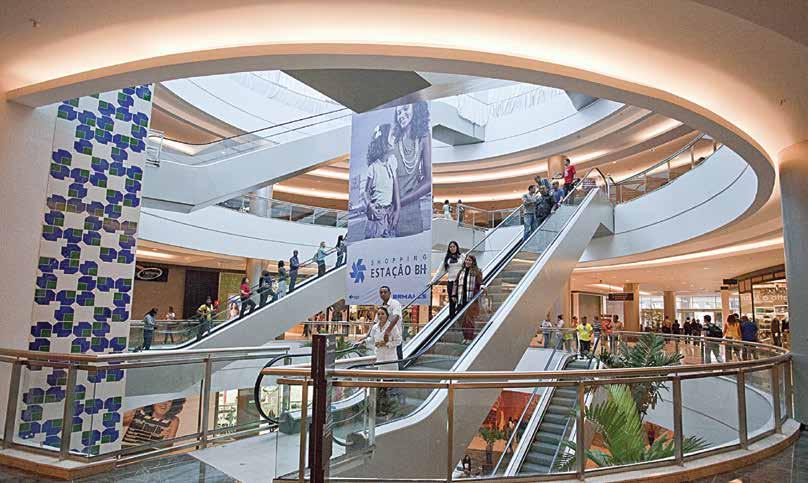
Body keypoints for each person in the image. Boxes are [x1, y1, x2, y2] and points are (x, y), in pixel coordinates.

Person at [391, 103, 432, 237]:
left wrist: (399, 203)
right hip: (391, 213)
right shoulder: (393, 139)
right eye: (398, 113)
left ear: (416, 109)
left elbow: (429, 181)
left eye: (405, 109)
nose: (401, 115)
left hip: (412, 212)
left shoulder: (424, 137)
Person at [364, 123, 399, 239]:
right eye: (392, 135)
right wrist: (370, 205)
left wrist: (397, 209)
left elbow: (396, 189)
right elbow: (366, 192)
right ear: (383, 141)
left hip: (389, 212)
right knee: (375, 242)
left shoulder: (392, 161)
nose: (395, 137)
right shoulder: (373, 168)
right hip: (378, 213)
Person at [454, 255, 485, 343]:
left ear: (473, 262)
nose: (467, 262)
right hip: (461, 299)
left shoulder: (477, 271)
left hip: (471, 299)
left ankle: (470, 338)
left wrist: (482, 286)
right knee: (462, 320)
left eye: (470, 260)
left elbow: (480, 282)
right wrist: (454, 295)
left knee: (469, 319)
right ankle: (465, 337)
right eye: (466, 260)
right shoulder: (461, 271)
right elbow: (456, 283)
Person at [430, 241, 465, 318]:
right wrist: (432, 281)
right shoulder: (447, 259)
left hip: (460, 282)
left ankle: (460, 319)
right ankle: (452, 319)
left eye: (454, 246)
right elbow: (439, 271)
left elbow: (467, 267)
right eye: (450, 247)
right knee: (452, 303)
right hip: (451, 283)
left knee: (460, 301)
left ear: (457, 247)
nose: (452, 248)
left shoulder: (462, 257)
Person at [376, 285, 404, 367]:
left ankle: (399, 372)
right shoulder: (381, 307)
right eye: (381, 292)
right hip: (383, 339)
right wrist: (367, 335)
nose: (383, 294)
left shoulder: (395, 303)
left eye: (385, 292)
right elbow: (375, 322)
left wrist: (387, 331)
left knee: (397, 359)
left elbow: (396, 316)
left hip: (394, 337)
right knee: (385, 360)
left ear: (389, 293)